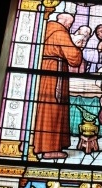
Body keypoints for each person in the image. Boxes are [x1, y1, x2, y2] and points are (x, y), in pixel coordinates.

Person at [33, 13, 83, 159]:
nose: (70, 26)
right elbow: (74, 58)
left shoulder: (44, 29)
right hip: (55, 72)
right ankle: (49, 149)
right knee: (52, 108)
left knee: (41, 107)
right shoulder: (60, 32)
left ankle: (37, 144)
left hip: (43, 70)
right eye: (70, 23)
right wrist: (78, 48)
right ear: (65, 22)